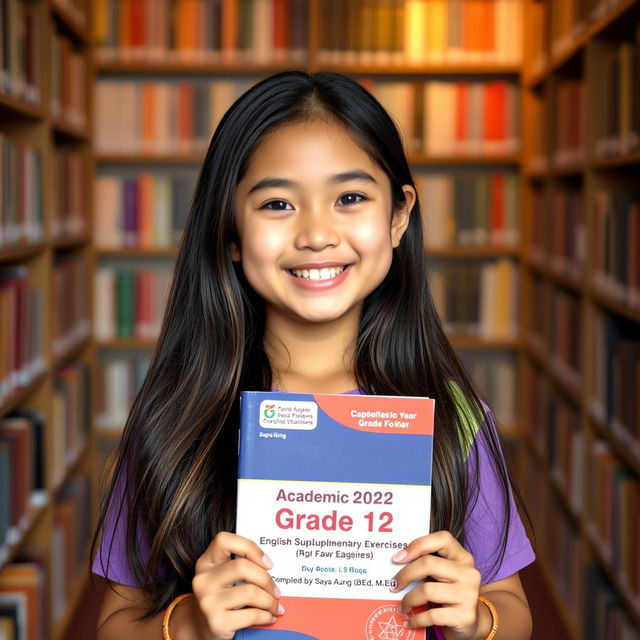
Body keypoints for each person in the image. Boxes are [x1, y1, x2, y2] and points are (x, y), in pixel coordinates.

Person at [91, 70, 535, 640]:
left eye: (350, 197)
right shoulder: (176, 417)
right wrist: (193, 625)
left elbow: (514, 611)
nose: (317, 234)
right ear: (230, 230)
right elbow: (113, 625)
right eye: (278, 203)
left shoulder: (456, 420)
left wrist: (478, 619)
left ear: (399, 217)